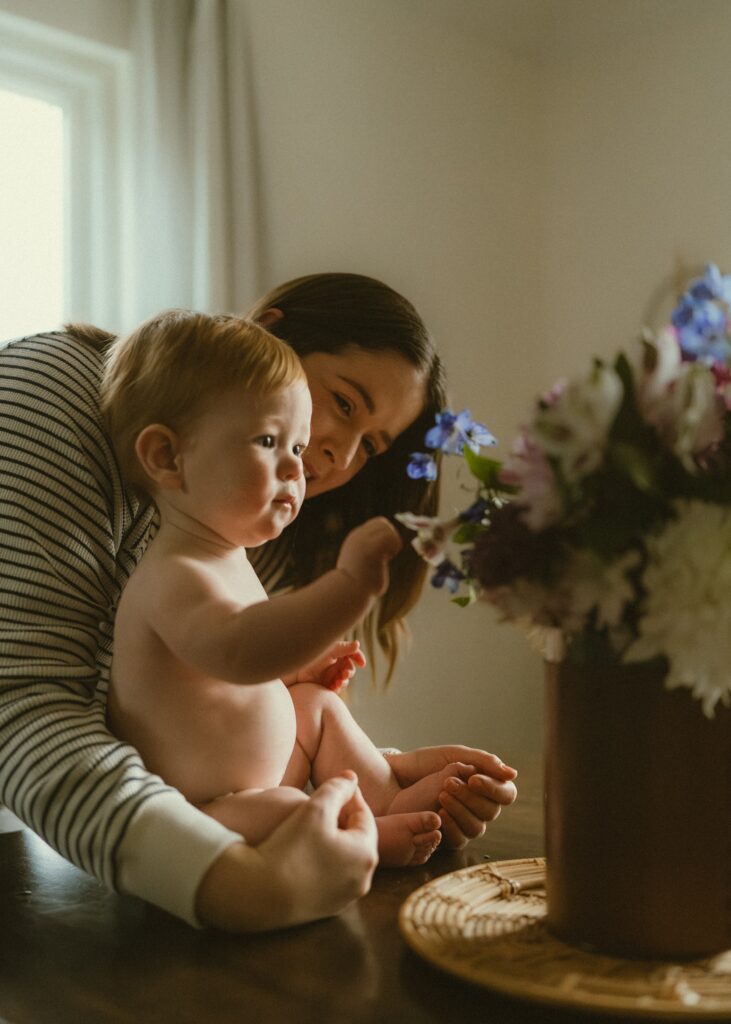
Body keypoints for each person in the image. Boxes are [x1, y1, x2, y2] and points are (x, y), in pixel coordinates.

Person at [0, 272, 517, 933]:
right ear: (267, 334)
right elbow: (22, 698)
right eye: (343, 402)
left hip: (91, 846)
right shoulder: (57, 391)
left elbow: (210, 726)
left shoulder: (253, 532)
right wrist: (234, 887)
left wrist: (380, 774)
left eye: (370, 446)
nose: (335, 455)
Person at [103, 310, 480, 867]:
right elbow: (238, 648)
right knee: (284, 807)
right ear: (167, 457)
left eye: (298, 449)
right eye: (268, 441)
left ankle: (386, 798)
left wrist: (296, 674)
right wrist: (348, 586)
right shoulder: (173, 574)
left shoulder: (229, 555)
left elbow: (218, 677)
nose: (297, 469)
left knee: (317, 706)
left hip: (259, 772)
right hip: (203, 805)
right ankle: (365, 837)